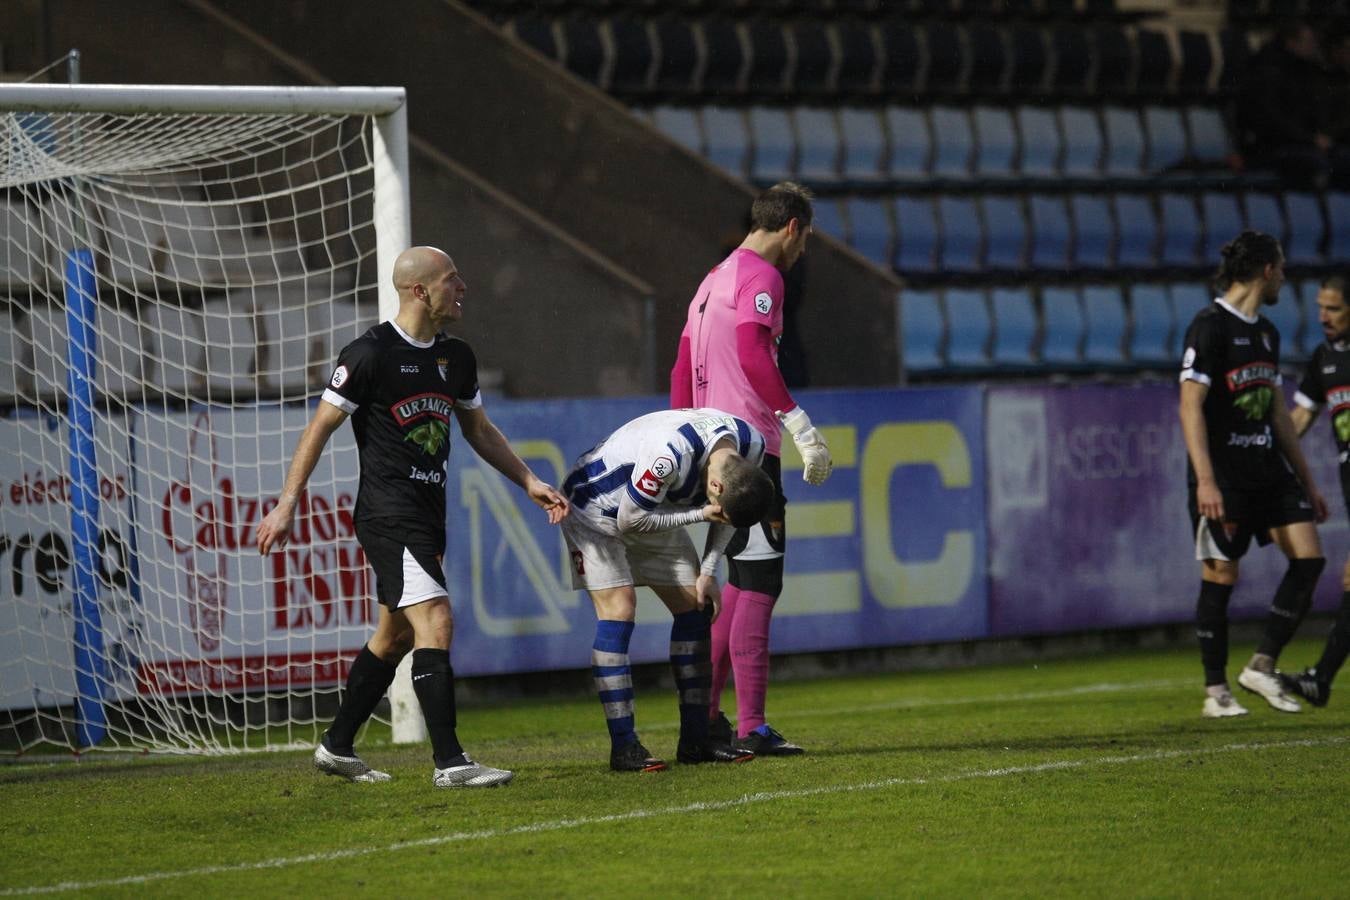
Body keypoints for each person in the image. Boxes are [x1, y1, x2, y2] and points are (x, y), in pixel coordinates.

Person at [257, 246, 569, 787]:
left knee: (395, 637)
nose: (463, 287)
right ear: (420, 291)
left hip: (429, 513)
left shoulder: (457, 358)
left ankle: (336, 746)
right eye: (453, 279)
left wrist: (528, 481)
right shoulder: (369, 353)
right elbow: (319, 428)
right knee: (437, 621)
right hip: (387, 512)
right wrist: (288, 502)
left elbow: (478, 430)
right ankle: (450, 762)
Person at [669, 181, 832, 755]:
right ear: (792, 227)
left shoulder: (711, 282)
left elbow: (682, 368)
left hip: (713, 454)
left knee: (734, 587)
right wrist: (800, 426)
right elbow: (753, 355)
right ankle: (751, 726)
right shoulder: (764, 278)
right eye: (806, 236)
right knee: (761, 584)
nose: (804, 249)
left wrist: (686, 442)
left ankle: (708, 721)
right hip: (751, 456)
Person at [561, 408, 775, 772]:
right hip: (596, 508)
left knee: (695, 603)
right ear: (716, 489)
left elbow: (727, 516)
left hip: (651, 509)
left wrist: (709, 570)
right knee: (620, 607)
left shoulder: (752, 445)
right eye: (718, 506)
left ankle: (696, 741)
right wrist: (700, 515)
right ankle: (624, 747)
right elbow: (631, 519)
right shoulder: (668, 454)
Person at [1178, 230, 1329, 719]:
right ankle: (1216, 690)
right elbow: (1189, 405)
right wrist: (1204, 480)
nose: (1284, 276)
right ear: (1266, 270)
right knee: (1221, 571)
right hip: (1224, 475)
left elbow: (1280, 413)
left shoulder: (1267, 332)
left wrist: (1306, 479)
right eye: (1281, 267)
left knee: (1309, 558)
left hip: (1268, 469)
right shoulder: (1209, 327)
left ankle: (1262, 665)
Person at [1282, 275, 1350, 707]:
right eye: (1321, 307)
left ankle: (1321, 678)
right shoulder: (1324, 359)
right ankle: (1321, 679)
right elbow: (1299, 421)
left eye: (1334, 309)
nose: (1323, 316)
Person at [1236, 19, 1350, 189]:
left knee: (1343, 158)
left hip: (1301, 143)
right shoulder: (1267, 73)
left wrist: (1321, 137)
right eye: (1309, 42)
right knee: (1315, 164)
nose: (1314, 46)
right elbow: (1272, 121)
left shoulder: (1305, 73)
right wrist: (1310, 139)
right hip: (1269, 147)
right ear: (1291, 43)